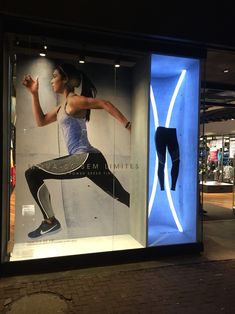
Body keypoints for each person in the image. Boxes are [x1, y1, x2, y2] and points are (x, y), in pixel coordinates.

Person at [22, 63, 131, 239]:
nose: (51, 81)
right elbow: (41, 121)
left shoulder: (73, 101)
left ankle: (50, 222)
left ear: (65, 79)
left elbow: (104, 103)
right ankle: (147, 211)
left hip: (84, 158)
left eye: (55, 76)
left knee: (32, 173)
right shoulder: (62, 106)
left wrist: (128, 125)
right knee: (122, 196)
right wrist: (34, 94)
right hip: (92, 158)